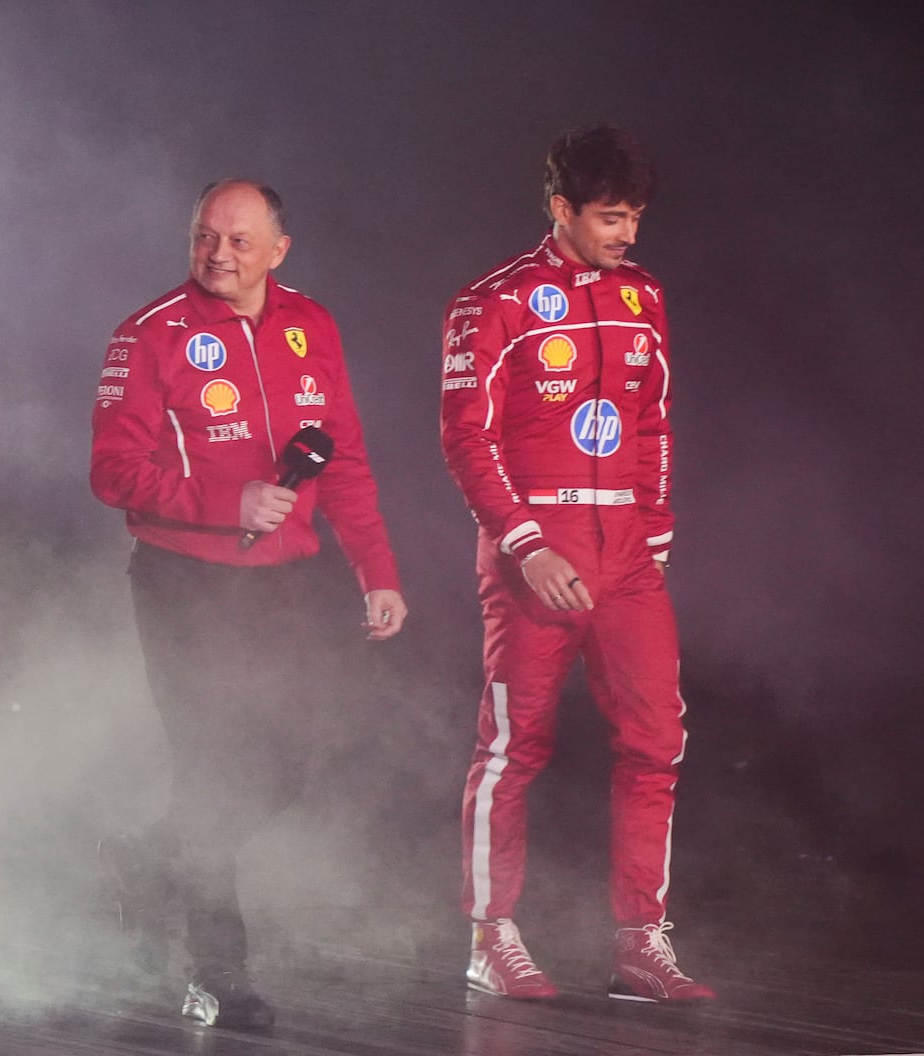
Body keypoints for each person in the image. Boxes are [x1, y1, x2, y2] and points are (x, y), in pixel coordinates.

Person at [90, 179, 407, 1029]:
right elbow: (112, 473)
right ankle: (221, 973)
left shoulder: (315, 326)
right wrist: (223, 504)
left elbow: (342, 461)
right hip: (183, 587)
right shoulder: (148, 334)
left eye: (237, 240)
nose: (217, 254)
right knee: (213, 769)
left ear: (278, 250)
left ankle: (148, 858)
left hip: (287, 590)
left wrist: (376, 571)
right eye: (204, 237)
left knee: (295, 760)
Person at [439, 126, 714, 1004]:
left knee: (657, 743)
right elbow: (465, 440)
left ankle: (640, 942)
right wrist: (527, 545)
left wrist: (655, 538)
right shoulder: (495, 302)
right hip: (534, 561)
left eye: (634, 216)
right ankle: (491, 937)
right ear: (561, 209)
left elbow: (655, 425)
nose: (627, 233)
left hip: (627, 559)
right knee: (514, 748)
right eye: (609, 216)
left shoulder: (644, 296)